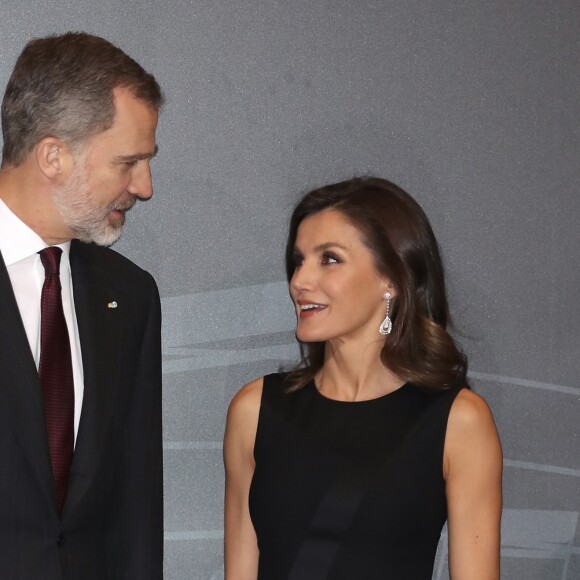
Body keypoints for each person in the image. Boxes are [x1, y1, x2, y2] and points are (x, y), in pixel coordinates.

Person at [224, 177, 502, 579]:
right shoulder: (255, 411)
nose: (299, 281)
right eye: (298, 260)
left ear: (391, 279)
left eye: (329, 259)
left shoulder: (457, 422)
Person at [0, 33, 164, 579]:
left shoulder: (131, 295)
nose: (144, 187)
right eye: (129, 162)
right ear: (53, 156)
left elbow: (136, 505)